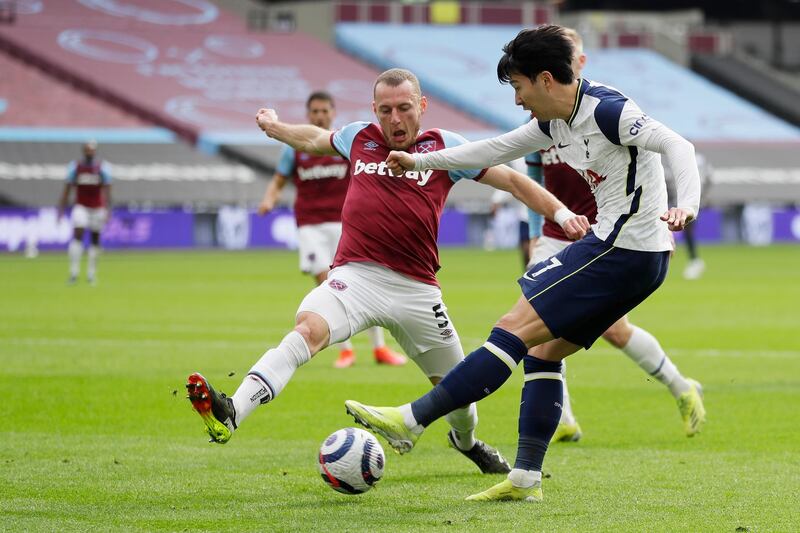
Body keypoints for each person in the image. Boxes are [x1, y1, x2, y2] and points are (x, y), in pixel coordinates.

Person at [344, 25, 706, 502]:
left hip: (622, 249)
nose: (517, 100)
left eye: (517, 86)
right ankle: (526, 479)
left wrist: (689, 205)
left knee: (511, 328)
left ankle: (410, 420)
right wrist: (419, 164)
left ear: (544, 79)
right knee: (544, 351)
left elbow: (680, 147)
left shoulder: (609, 111)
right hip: (629, 251)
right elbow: (493, 150)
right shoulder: (555, 121)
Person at [186, 67, 590, 476]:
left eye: (404, 108)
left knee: (460, 398)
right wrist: (274, 127)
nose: (395, 119)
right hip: (355, 278)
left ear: (422, 105)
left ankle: (467, 443)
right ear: (373, 110)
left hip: (418, 292)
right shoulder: (359, 137)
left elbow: (514, 183)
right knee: (306, 329)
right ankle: (233, 410)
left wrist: (560, 211)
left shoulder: (445, 147)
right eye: (385, 110)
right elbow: (313, 138)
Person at [524, 28, 704, 443]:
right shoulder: (539, 125)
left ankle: (681, 386)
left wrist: (655, 226)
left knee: (615, 331)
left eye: (576, 57)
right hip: (556, 235)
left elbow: (645, 167)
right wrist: (536, 235)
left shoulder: (604, 115)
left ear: (579, 64)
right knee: (536, 326)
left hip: (611, 238)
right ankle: (562, 419)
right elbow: (533, 183)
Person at [257, 91, 407, 368]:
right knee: (329, 282)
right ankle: (346, 349)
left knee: (359, 280)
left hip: (346, 223)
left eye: (324, 111)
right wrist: (269, 198)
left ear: (333, 113)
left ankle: (379, 349)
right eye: (315, 112)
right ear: (308, 115)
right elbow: (279, 180)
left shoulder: (346, 144)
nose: (320, 116)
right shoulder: (295, 147)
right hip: (311, 225)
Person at [57, 140, 111, 285]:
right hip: (81, 206)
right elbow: (67, 189)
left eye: (92, 150)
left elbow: (107, 189)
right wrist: (61, 209)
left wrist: (108, 209)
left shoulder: (102, 168)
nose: (89, 152)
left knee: (95, 239)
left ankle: (91, 274)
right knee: (78, 234)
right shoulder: (75, 167)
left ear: (95, 151)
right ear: (83, 151)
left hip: (97, 208)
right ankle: (74, 272)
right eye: (87, 150)